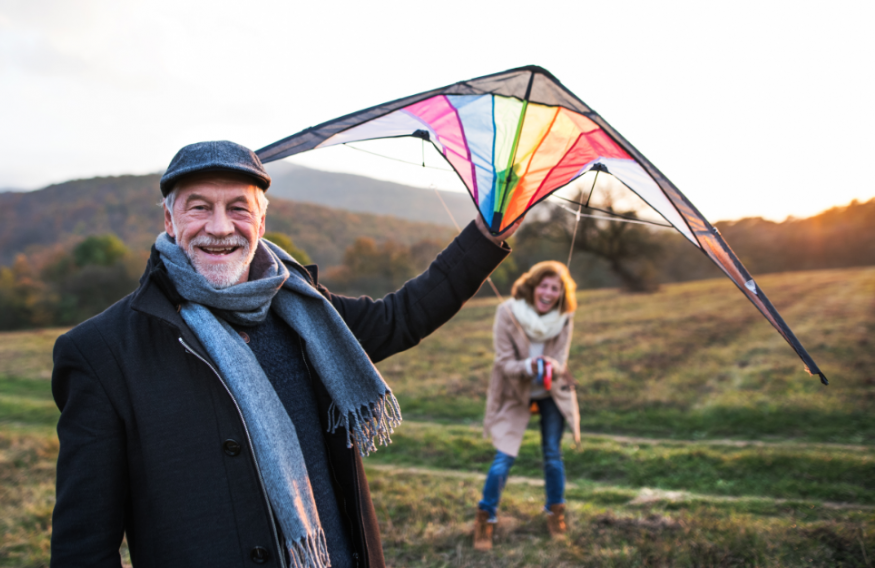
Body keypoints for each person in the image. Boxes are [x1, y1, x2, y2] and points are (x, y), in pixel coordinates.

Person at [50, 140, 518, 568]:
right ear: (170, 222)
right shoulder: (102, 352)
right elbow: (84, 546)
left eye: (238, 208)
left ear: (261, 221)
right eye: (199, 208)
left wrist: (486, 235)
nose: (219, 227)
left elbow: (402, 317)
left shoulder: (307, 311)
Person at [473, 261, 581, 551]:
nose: (548, 293)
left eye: (555, 288)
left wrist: (552, 366)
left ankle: (555, 513)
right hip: (515, 391)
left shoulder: (564, 317)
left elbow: (561, 358)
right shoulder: (507, 312)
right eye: (544, 286)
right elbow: (504, 363)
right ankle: (486, 517)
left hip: (550, 394)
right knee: (504, 457)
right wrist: (529, 365)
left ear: (561, 294)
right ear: (533, 286)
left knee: (552, 455)